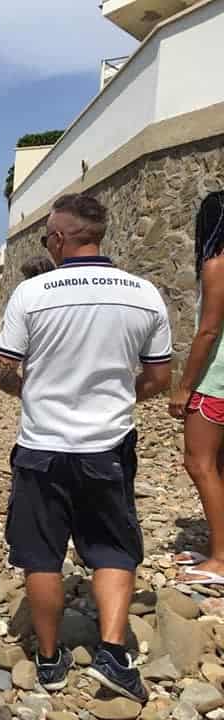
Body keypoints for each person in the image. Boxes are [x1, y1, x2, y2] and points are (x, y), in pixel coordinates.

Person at [0, 193, 171, 702]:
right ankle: (114, 652)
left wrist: (36, 394)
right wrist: (120, 395)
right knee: (114, 546)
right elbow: (158, 376)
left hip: (41, 446)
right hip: (108, 445)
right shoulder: (144, 295)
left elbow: (1, 370)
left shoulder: (33, 294)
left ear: (57, 239)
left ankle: (49, 662)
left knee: (41, 555)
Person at [169, 191, 224, 582]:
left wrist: (185, 386)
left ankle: (220, 559)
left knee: (199, 462)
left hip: (215, 381)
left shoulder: (216, 265)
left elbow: (208, 331)